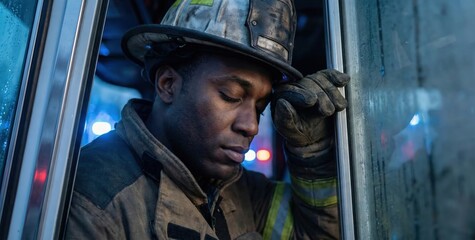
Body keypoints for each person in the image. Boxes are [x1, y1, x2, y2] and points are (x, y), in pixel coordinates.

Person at [65, 0, 349, 239]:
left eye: (260, 107)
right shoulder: (92, 201)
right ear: (167, 84)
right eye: (230, 95)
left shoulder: (246, 193)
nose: (250, 126)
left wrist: (313, 158)